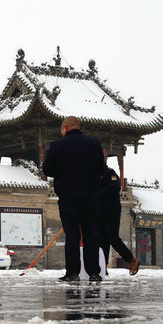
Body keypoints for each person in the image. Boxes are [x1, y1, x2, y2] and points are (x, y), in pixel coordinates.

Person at [42, 116, 105, 282]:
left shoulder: (57, 146)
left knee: (72, 235)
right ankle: (94, 272)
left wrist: (63, 172)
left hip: (68, 196)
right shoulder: (94, 144)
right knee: (91, 233)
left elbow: (47, 169)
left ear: (65, 129)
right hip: (90, 196)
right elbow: (102, 169)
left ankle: (72, 272)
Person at [97, 158, 140, 275]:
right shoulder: (92, 175)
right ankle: (102, 267)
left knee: (112, 237)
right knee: (102, 240)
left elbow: (115, 186)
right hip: (99, 211)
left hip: (111, 210)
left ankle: (131, 260)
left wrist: (98, 194)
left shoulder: (109, 173)